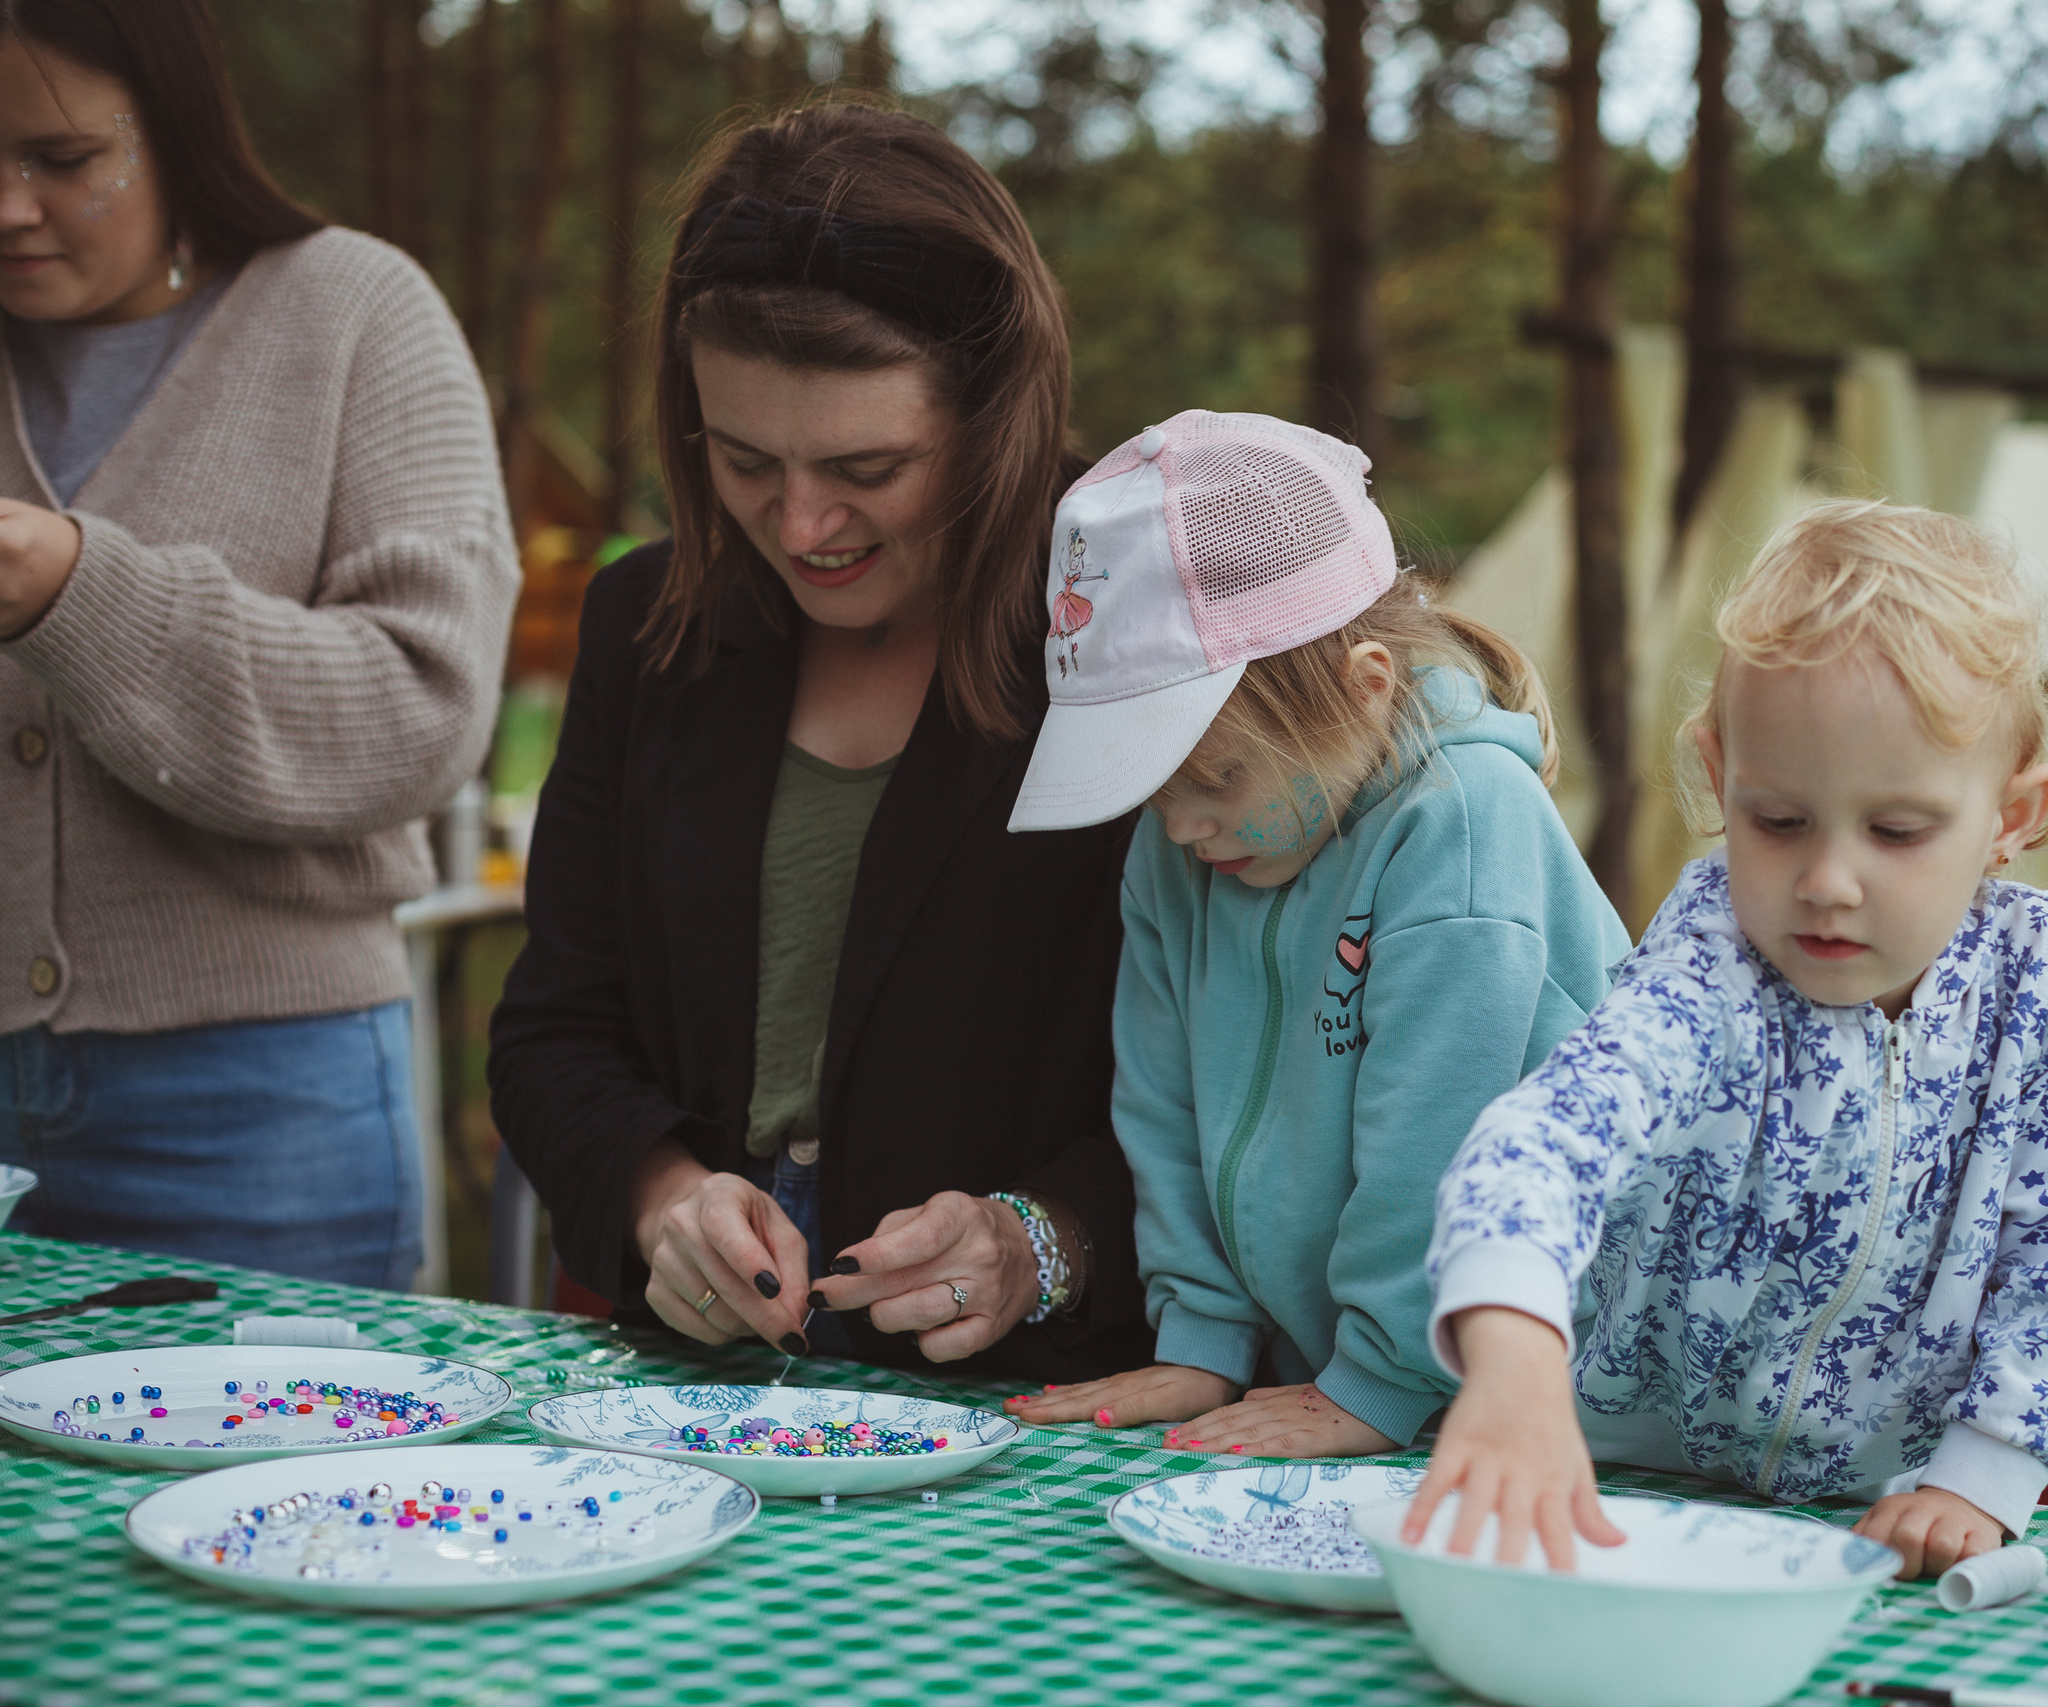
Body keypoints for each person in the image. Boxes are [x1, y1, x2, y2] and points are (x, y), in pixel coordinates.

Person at [489, 103, 1152, 1383]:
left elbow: (1261, 1092)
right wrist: (661, 1197)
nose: (800, 526)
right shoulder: (648, 623)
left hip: (1044, 1404)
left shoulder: (1137, 636)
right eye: (742, 459)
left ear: (996, 419)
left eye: (868, 468)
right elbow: (552, 1029)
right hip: (699, 1382)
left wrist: (1046, 1240)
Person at [1405, 500, 2048, 1578]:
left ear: (2012, 816)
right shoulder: (1712, 960)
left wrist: (1983, 1474)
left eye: (1896, 830)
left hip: (1891, 1508)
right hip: (1621, 1481)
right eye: (1778, 821)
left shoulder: (2044, 974)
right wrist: (1514, 1360)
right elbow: (1544, 1140)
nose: (1827, 881)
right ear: (1719, 772)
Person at [0, 0, 516, 1286]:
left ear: (176, 125)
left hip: (257, 1099)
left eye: (62, 159)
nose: (8, 207)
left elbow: (422, 712)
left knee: (283, 1430)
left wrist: (78, 593)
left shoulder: (355, 315)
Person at [1002, 411, 1629, 1457]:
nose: (1182, 826)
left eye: (1216, 777)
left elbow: (1439, 1141)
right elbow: (1161, 1102)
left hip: (1551, 1397)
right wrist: (1201, 1337)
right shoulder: (1184, 850)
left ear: (1363, 691)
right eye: (1153, 789)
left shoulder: (1462, 820)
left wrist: (1379, 1379)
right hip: (1351, 1391)